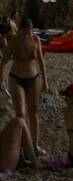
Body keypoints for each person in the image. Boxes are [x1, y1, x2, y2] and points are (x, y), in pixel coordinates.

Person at [4, 18, 49, 153]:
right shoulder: (14, 41)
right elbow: (4, 60)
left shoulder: (36, 40)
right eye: (24, 32)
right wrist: (1, 78)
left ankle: (35, 145)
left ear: (32, 30)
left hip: (33, 78)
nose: (26, 35)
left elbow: (40, 60)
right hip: (16, 78)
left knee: (34, 113)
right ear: (20, 30)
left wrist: (45, 81)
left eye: (29, 32)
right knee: (20, 114)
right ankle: (23, 146)